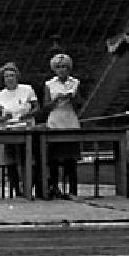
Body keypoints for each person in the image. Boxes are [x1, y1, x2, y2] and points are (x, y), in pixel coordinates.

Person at [0, 61, 39, 198]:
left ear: (17, 76)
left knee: (28, 158)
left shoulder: (27, 89)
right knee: (11, 160)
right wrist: (3, 118)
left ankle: (29, 187)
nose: (10, 78)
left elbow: (37, 108)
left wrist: (28, 114)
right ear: (3, 79)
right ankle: (16, 189)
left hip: (27, 128)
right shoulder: (0, 96)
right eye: (6, 76)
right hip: (9, 130)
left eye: (12, 75)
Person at [43, 52, 82, 198]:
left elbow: (79, 104)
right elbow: (45, 107)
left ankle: (72, 190)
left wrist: (72, 97)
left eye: (64, 67)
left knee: (70, 159)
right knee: (53, 159)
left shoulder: (75, 82)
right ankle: (54, 188)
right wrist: (56, 100)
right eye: (59, 67)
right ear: (54, 68)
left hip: (70, 121)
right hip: (55, 122)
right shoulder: (49, 84)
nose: (62, 70)